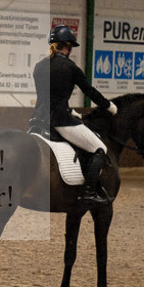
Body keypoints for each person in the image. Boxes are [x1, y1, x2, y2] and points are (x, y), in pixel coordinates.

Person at [31, 25, 117, 207]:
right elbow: (89, 91)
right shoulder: (70, 68)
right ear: (67, 46)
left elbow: (50, 96)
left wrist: (70, 110)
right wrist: (109, 106)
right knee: (100, 149)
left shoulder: (39, 67)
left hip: (39, 120)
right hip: (61, 122)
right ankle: (88, 193)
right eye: (70, 47)